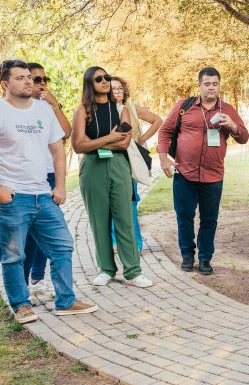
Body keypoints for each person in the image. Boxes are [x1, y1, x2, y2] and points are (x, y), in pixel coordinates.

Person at [0, 59, 97, 323]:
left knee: (62, 247)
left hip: (44, 194)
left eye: (29, 77)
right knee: (13, 255)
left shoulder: (42, 110)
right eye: (20, 78)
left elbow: (57, 150)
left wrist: (61, 186)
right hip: (13, 198)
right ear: (5, 84)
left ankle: (66, 300)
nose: (28, 81)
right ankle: (21, 305)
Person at [157, 67, 249, 274]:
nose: (211, 88)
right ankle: (187, 255)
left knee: (209, 219)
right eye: (207, 84)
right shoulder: (184, 106)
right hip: (185, 173)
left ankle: (206, 258)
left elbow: (244, 138)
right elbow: (165, 131)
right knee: (184, 216)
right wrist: (163, 157)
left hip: (213, 175)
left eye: (215, 84)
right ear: (199, 85)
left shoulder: (227, 109)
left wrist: (233, 125)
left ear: (219, 86)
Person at [71, 66, 153, 288]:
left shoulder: (121, 109)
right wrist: (109, 137)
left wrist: (94, 141)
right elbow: (78, 145)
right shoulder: (82, 110)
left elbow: (124, 142)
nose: (105, 81)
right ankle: (106, 269)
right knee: (99, 221)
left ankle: (133, 271)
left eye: (107, 77)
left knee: (125, 218)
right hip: (92, 168)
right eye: (99, 79)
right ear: (90, 84)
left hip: (118, 164)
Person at [22, 62, 72, 295]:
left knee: (46, 233)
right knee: (25, 238)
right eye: (36, 79)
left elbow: (66, 133)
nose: (42, 84)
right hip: (25, 179)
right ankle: (21, 287)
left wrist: (54, 104)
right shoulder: (15, 109)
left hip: (49, 176)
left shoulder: (46, 108)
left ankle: (38, 280)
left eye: (45, 80)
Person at [109, 76, 162, 253]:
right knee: (110, 203)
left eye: (119, 88)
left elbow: (157, 120)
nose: (116, 91)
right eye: (112, 88)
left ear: (124, 91)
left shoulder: (131, 108)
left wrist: (142, 138)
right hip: (109, 159)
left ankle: (136, 243)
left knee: (130, 202)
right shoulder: (104, 110)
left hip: (130, 159)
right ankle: (115, 242)